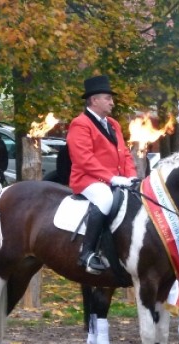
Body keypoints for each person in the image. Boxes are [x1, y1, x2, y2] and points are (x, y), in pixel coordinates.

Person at [66, 75, 137, 274]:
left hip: (116, 179)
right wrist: (112, 178)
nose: (112, 103)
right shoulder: (80, 124)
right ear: (94, 100)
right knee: (105, 199)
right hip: (88, 180)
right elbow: (84, 158)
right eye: (108, 98)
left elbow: (125, 153)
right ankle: (87, 253)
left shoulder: (113, 124)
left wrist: (131, 176)